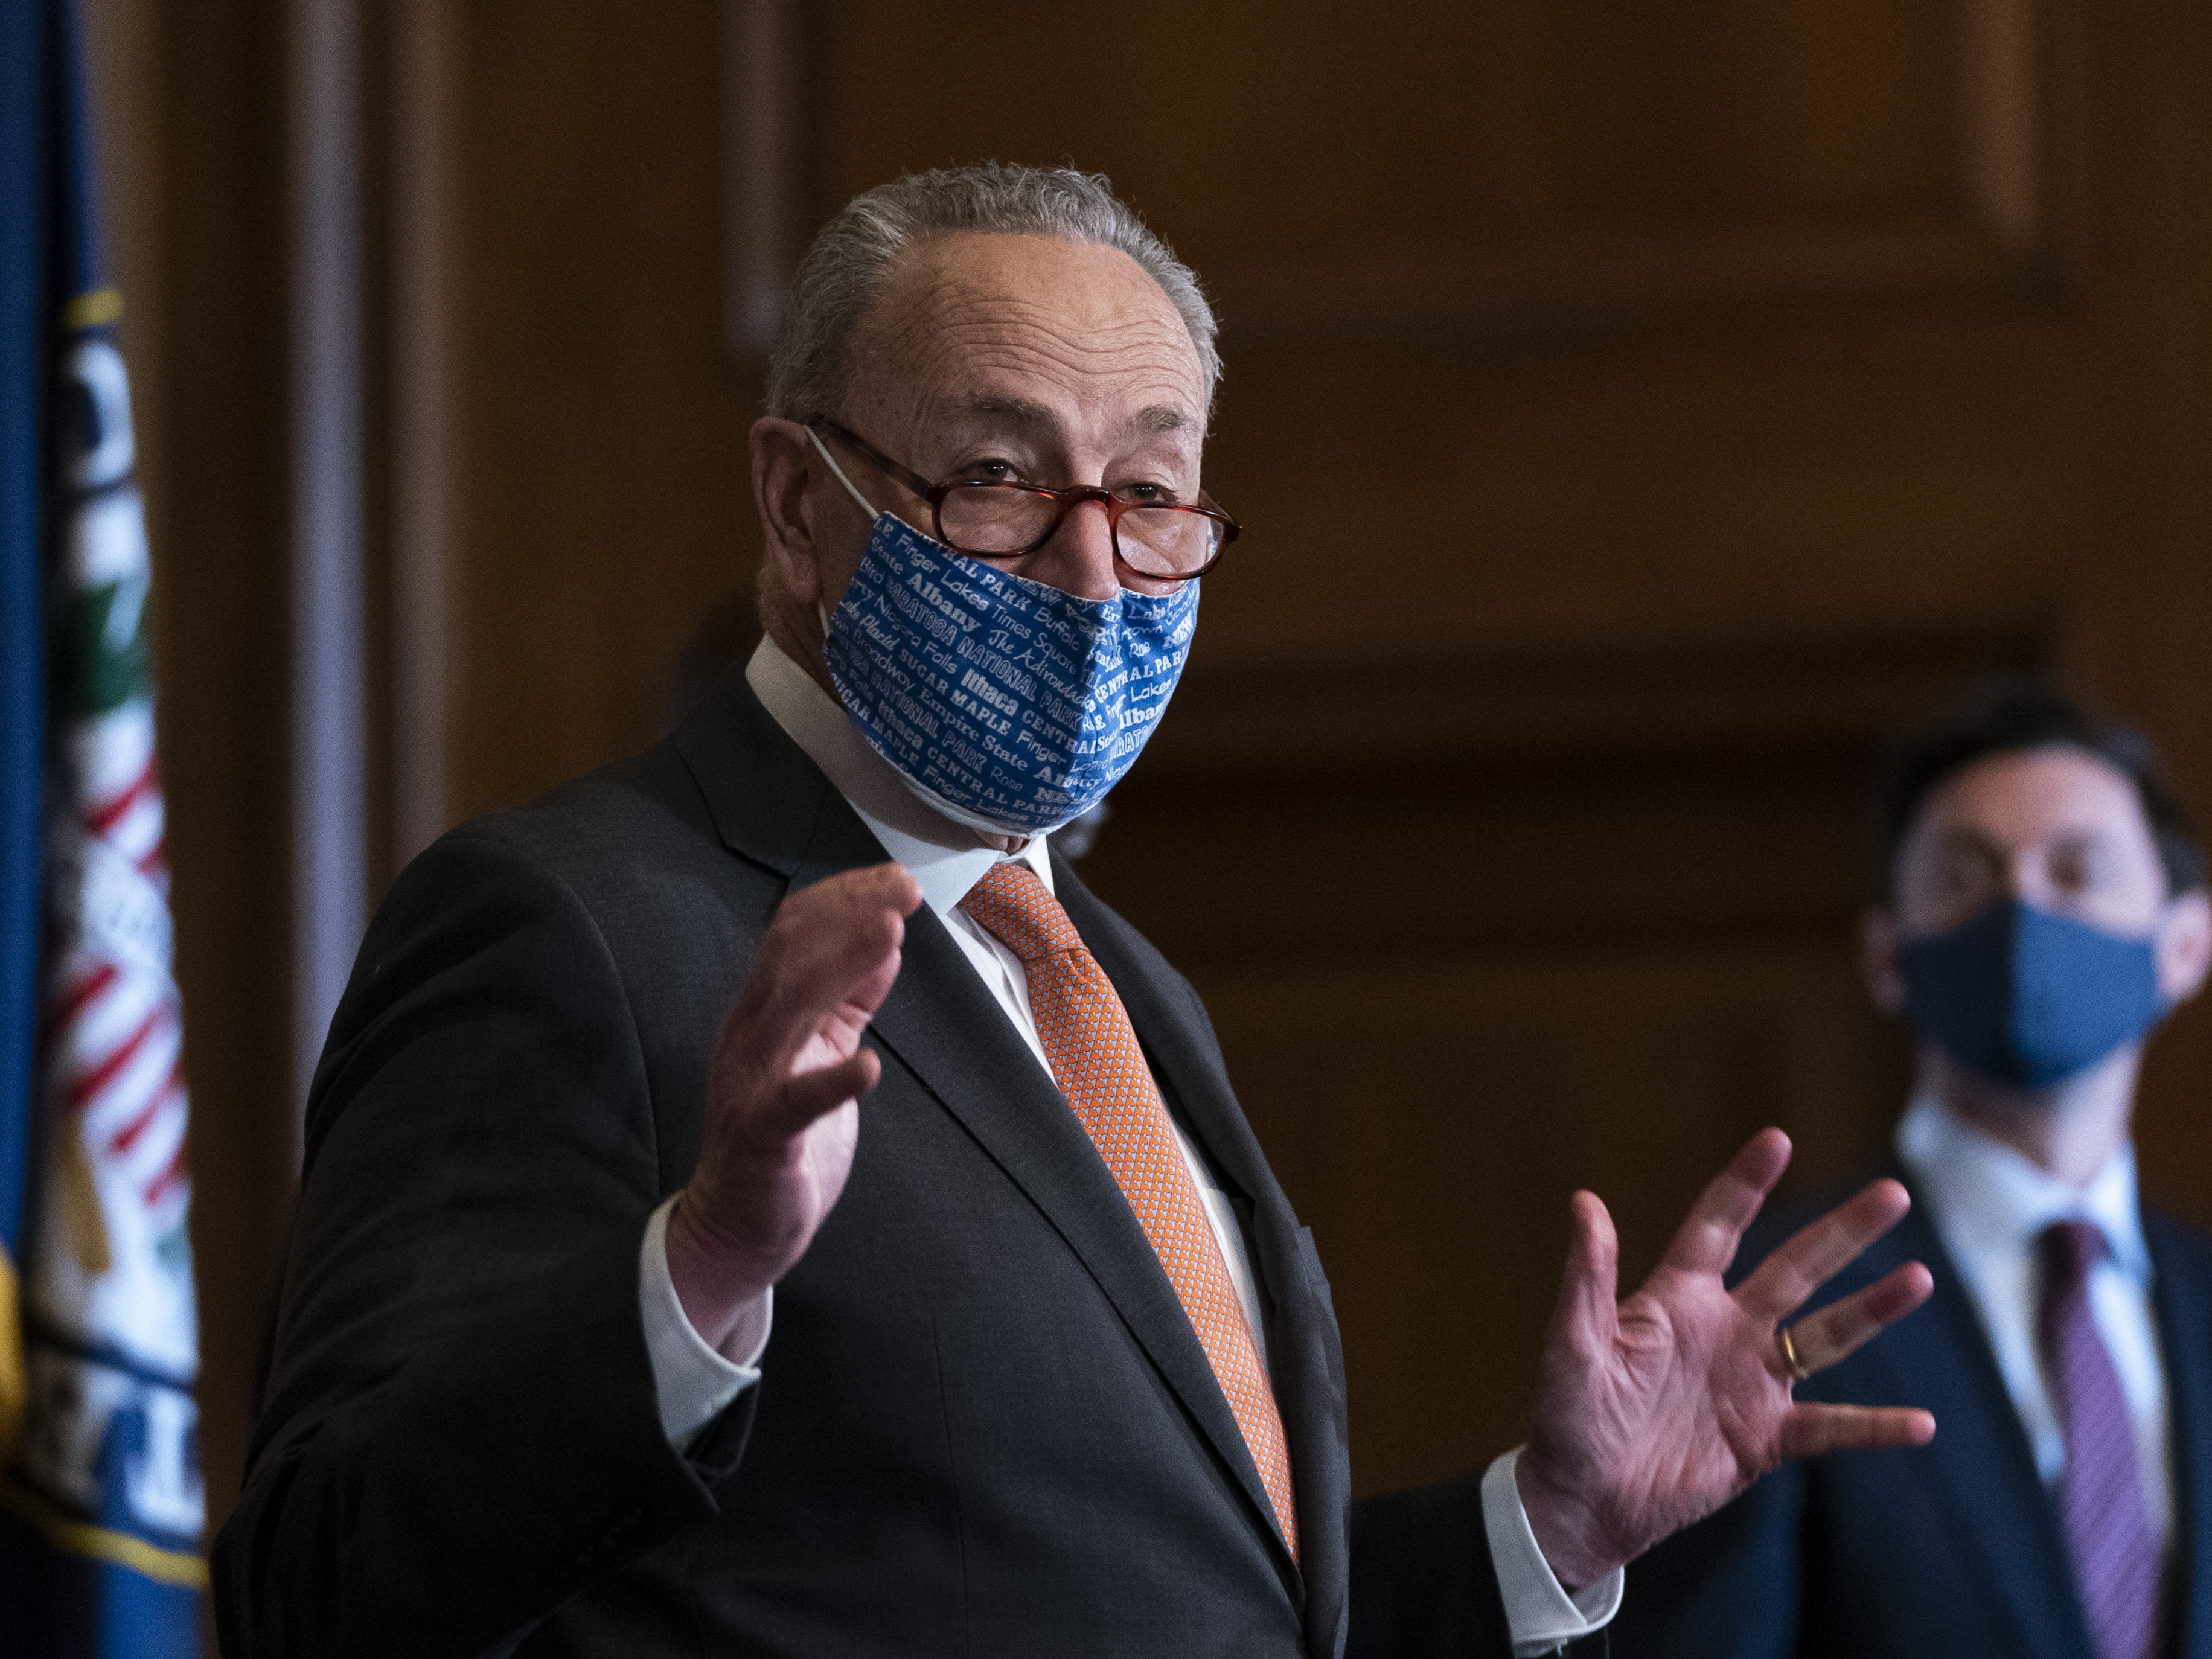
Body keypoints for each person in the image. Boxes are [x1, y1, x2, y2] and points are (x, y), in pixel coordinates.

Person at [211, 164, 1935, 1658]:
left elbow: (1167, 1605)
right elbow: (317, 1586)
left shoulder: (1122, 984)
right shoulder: (570, 922)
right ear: (798, 503)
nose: (1096, 566)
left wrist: (1548, 1529)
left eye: (1154, 489)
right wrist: (699, 1275)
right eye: (1000, 478)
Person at [1615, 682, 2212, 1659]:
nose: (2023, 905)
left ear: (2185, 945)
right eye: (1967, 875)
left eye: (2076, 870)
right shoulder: (1763, 1317)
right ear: (1888, 956)